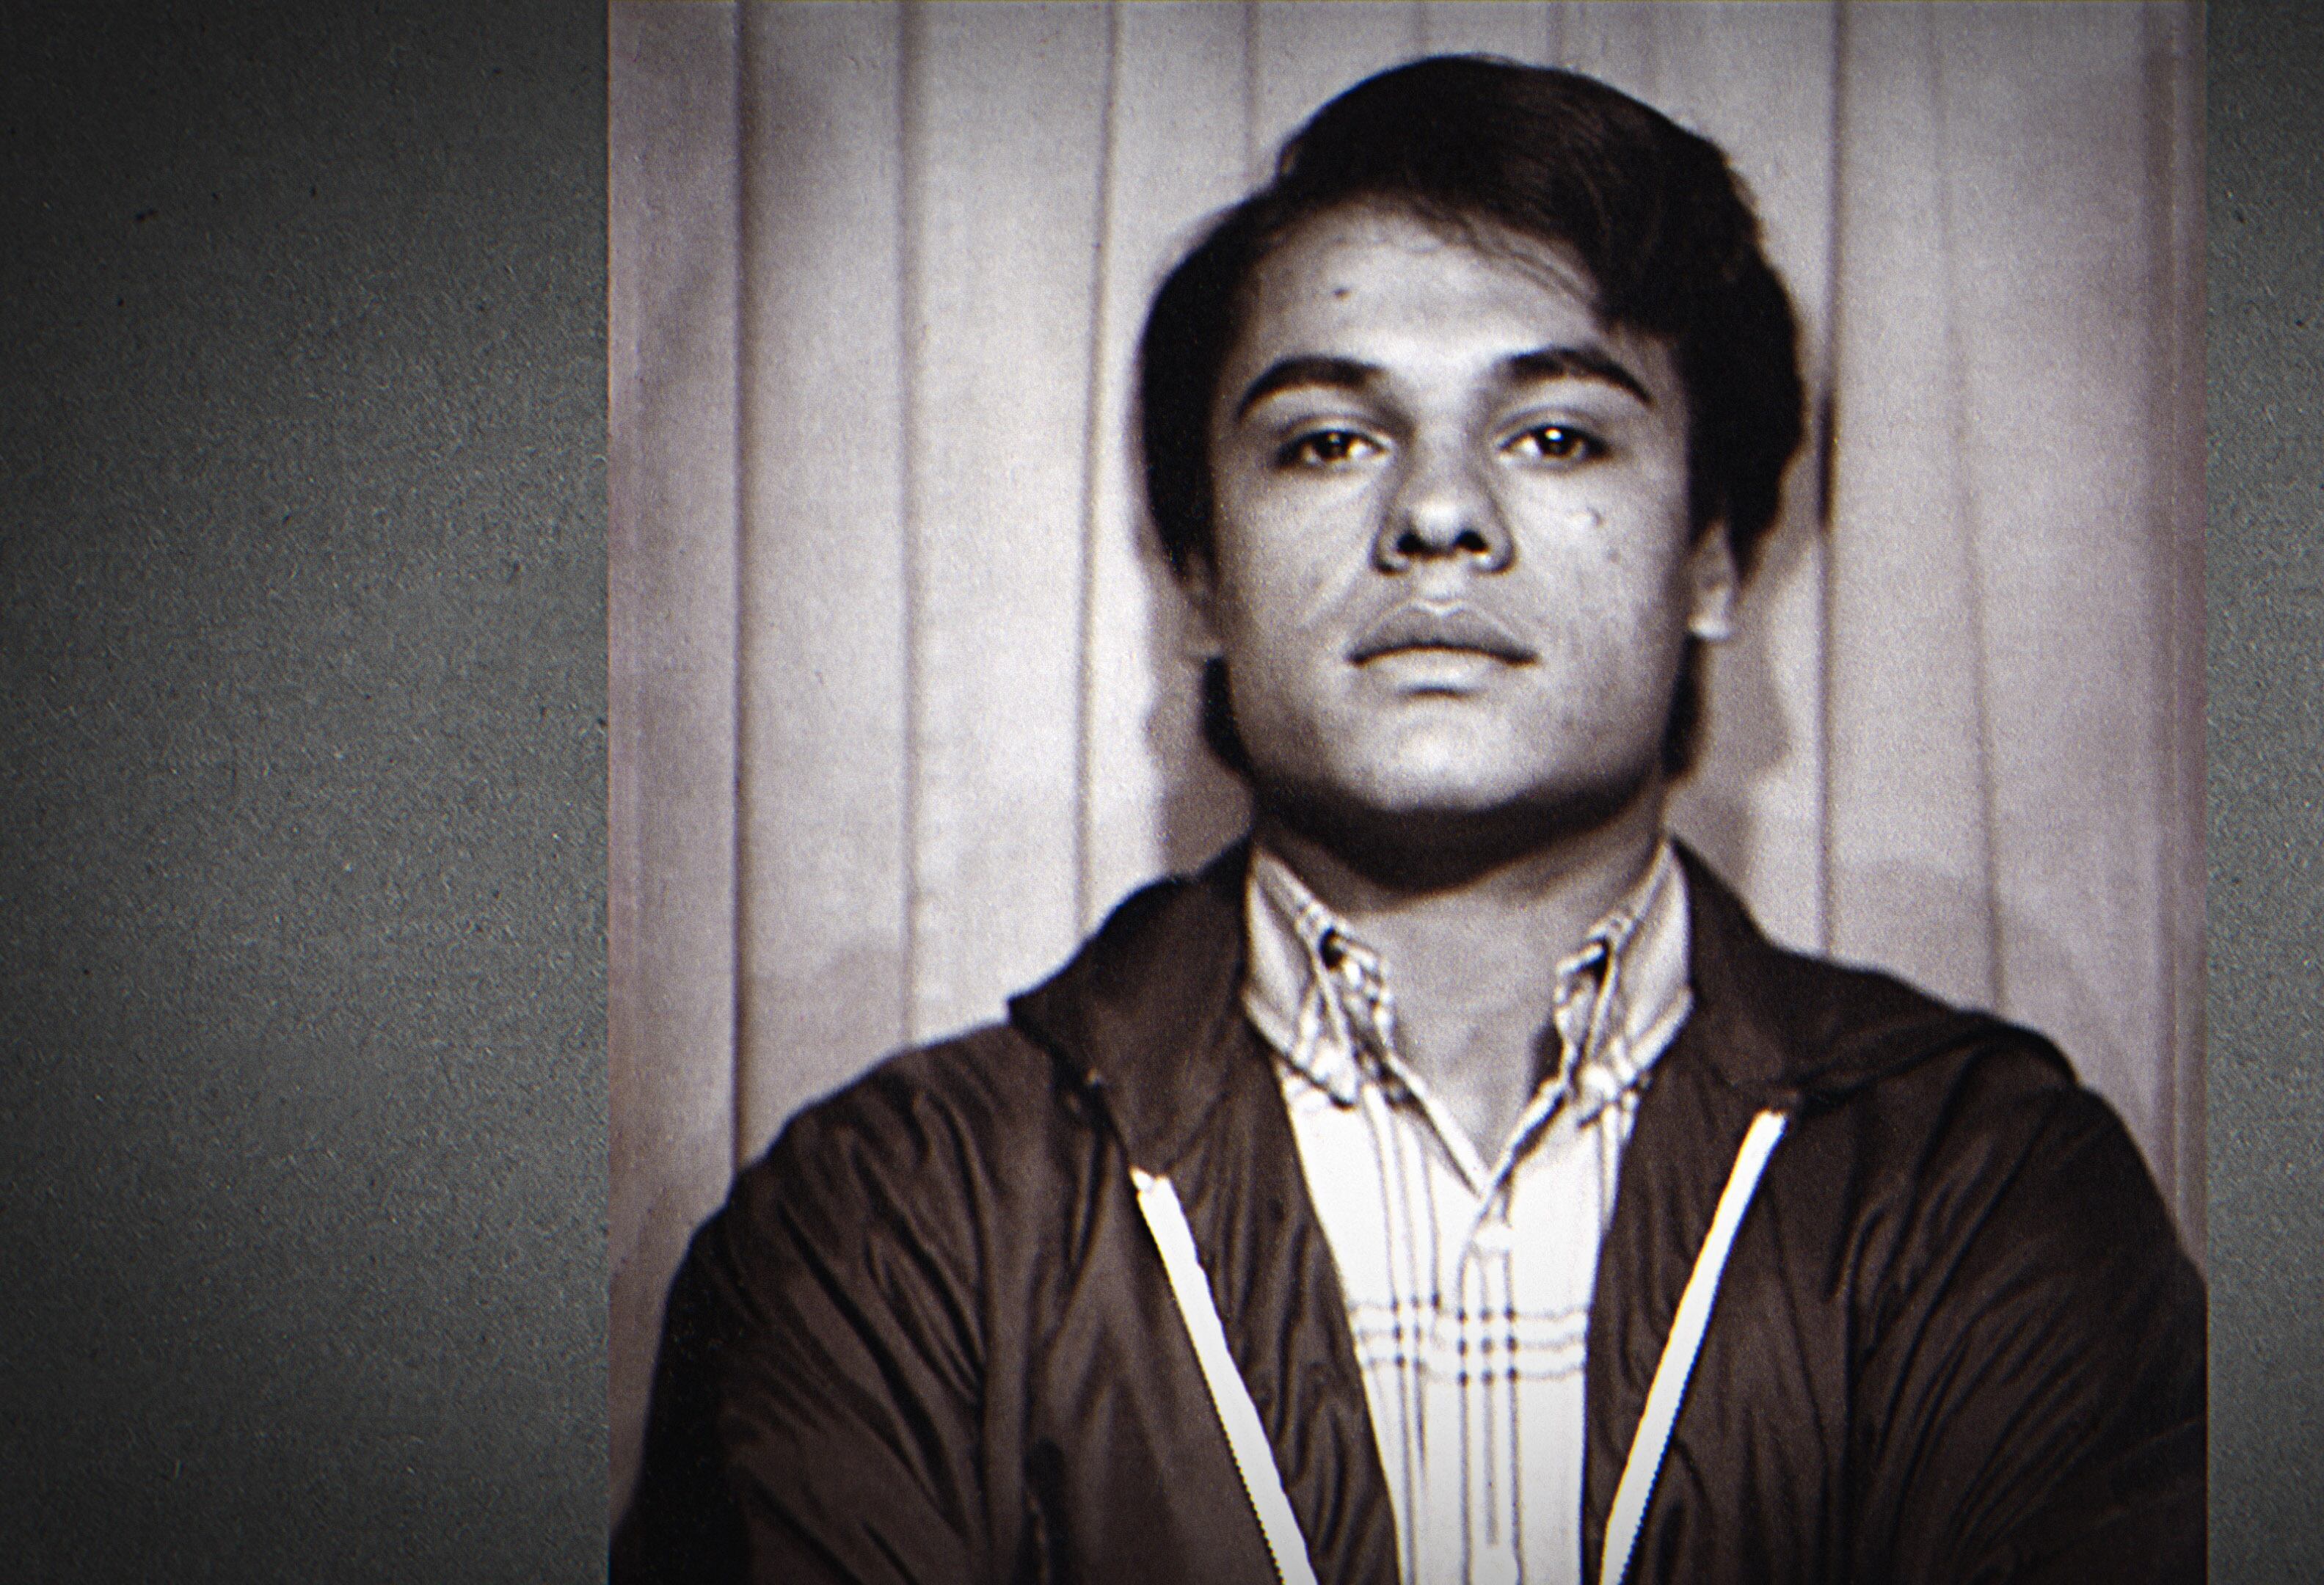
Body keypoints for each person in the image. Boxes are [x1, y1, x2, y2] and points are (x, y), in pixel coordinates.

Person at [615, 55, 2204, 1585]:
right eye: (1329, 441)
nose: (1439, 514)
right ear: (1199, 580)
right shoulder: (890, 1227)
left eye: (1559, 435)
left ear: (1713, 556)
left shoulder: (1985, 1191)